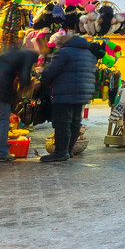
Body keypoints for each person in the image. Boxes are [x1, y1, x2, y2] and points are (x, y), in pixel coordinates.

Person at [38, 33, 99, 162]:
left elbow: (51, 71)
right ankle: (69, 150)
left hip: (66, 91)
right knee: (75, 122)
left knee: (62, 122)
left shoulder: (65, 52)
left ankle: (61, 152)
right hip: (83, 92)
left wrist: (43, 81)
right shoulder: (89, 53)